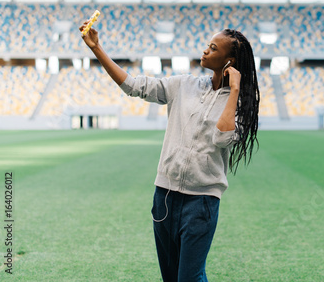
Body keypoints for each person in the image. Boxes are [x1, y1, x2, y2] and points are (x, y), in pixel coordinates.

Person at [80, 20, 260, 282]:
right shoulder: (183, 84)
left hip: (201, 202)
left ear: (229, 61)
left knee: (189, 277)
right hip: (164, 197)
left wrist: (233, 91)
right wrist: (97, 48)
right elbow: (133, 86)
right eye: (208, 45)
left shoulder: (240, 103)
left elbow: (222, 136)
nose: (206, 50)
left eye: (213, 48)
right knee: (171, 277)